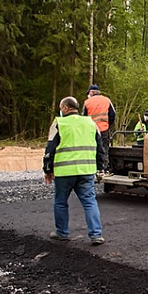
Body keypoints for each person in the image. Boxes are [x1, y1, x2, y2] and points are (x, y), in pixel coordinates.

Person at [43, 96, 106, 245]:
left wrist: (47, 169)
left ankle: (62, 232)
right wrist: (100, 167)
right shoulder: (90, 123)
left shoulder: (59, 123)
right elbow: (100, 147)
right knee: (90, 202)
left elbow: (50, 148)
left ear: (65, 108)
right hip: (86, 170)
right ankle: (96, 234)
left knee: (60, 202)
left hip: (65, 171)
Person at [82, 84, 116, 173]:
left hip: (91, 130)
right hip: (104, 129)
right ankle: (103, 169)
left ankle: (91, 169)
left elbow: (83, 117)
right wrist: (108, 124)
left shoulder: (87, 102)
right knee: (104, 149)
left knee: (91, 149)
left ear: (92, 92)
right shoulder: (107, 100)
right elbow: (113, 115)